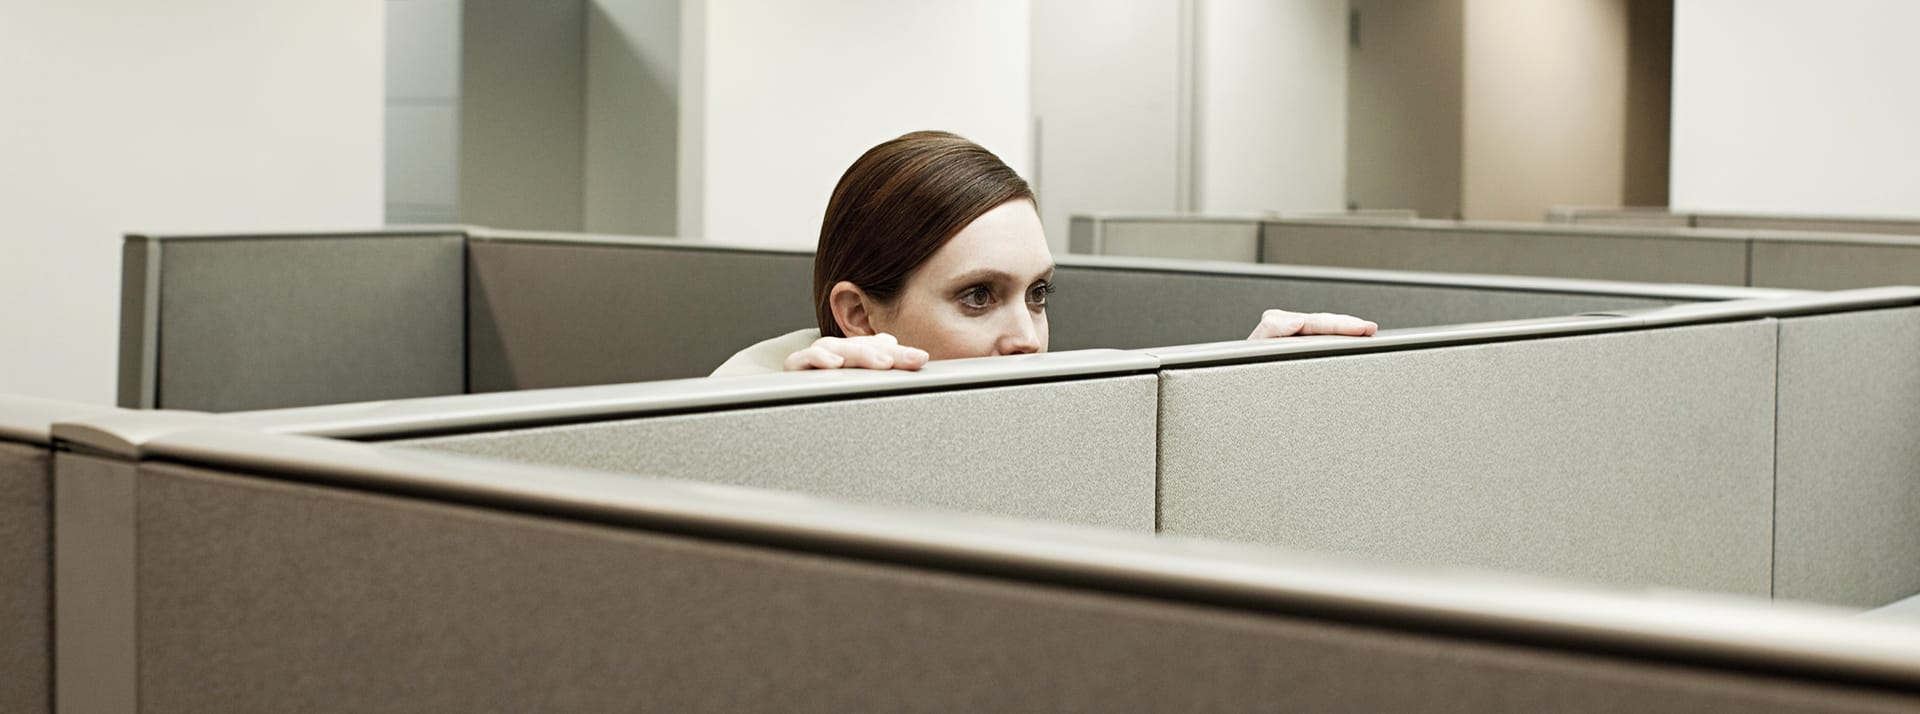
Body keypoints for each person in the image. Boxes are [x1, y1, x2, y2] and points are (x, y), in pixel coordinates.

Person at [711, 130, 1375, 377]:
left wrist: (1235, 388)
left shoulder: (1048, 430)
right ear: (858, 316)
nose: (1027, 338)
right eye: (978, 296)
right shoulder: (745, 417)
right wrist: (788, 437)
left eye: (1038, 294)